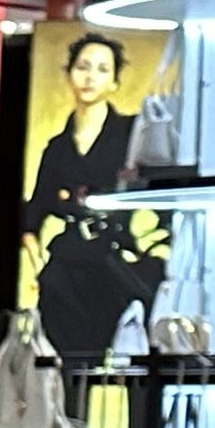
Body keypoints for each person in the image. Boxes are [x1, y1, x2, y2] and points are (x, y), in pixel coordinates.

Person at [26, 30, 167, 354]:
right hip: (70, 260)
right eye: (84, 67)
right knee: (67, 364)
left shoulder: (132, 135)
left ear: (115, 81)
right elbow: (33, 214)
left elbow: (162, 197)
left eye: (103, 69)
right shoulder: (57, 148)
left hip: (120, 258)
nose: (90, 77)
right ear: (70, 73)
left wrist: (148, 249)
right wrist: (39, 266)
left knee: (137, 360)